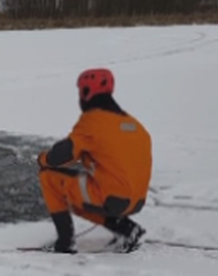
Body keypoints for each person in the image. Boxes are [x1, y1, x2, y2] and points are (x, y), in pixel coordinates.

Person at [37, 68, 151, 254]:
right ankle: (128, 229)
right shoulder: (135, 125)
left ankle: (65, 242)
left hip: (111, 198)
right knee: (79, 195)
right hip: (136, 200)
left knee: (49, 177)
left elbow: (63, 154)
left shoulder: (93, 121)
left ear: (86, 92)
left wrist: (43, 159)